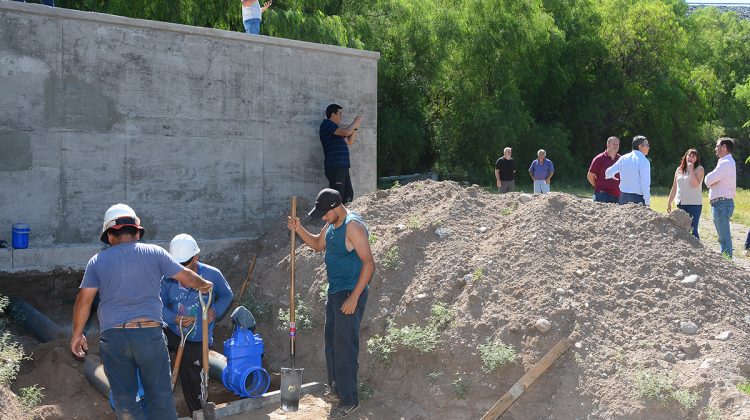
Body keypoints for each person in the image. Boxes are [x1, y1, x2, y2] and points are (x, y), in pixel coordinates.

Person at [71, 204, 213, 420]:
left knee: (125, 401)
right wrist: (205, 284)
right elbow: (186, 276)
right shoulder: (154, 252)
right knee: (161, 398)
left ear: (110, 236)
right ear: (137, 233)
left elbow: (84, 301)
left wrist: (77, 334)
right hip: (149, 335)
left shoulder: (97, 262)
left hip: (114, 338)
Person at [286, 189, 374, 419]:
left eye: (325, 214)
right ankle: (336, 389)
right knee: (332, 345)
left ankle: (350, 399)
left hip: (350, 293)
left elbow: (369, 264)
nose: (323, 218)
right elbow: (317, 244)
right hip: (335, 292)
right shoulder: (333, 225)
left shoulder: (353, 226)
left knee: (345, 349)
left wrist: (354, 298)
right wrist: (299, 229)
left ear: (336, 207)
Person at [161, 234, 233, 414]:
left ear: (196, 257)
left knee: (191, 374)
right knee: (152, 343)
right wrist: (174, 318)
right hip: (172, 331)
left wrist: (214, 310)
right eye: (178, 265)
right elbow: (157, 304)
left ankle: (197, 413)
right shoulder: (167, 278)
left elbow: (227, 295)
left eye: (186, 264)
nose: (182, 270)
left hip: (197, 335)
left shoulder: (212, 275)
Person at [319, 104, 363, 204]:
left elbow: (349, 141)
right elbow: (346, 132)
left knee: (348, 195)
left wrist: (355, 128)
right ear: (333, 114)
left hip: (342, 166)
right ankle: (334, 218)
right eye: (340, 113)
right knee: (337, 196)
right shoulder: (327, 125)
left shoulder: (336, 129)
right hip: (335, 166)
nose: (341, 116)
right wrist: (354, 122)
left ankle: (343, 218)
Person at [704, 137, 736, 258]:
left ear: (724, 147)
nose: (715, 148)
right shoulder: (726, 162)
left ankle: (727, 263)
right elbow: (712, 180)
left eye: (717, 146)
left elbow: (709, 179)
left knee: (724, 237)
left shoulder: (725, 163)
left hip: (721, 204)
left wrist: (710, 180)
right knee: (723, 236)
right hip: (722, 203)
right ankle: (727, 262)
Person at [667, 149, 704, 239]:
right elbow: (674, 188)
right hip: (681, 204)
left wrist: (691, 169)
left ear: (696, 159)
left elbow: (695, 184)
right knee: (681, 229)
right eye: (689, 155)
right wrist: (669, 202)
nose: (690, 158)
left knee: (692, 230)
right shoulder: (679, 170)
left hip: (694, 204)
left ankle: (697, 251)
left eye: (693, 156)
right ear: (685, 157)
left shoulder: (699, 169)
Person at [605, 135, 651, 205]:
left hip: (623, 197)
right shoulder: (644, 161)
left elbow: (608, 172)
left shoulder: (623, 158)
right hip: (638, 199)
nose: (649, 147)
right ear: (640, 146)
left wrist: (611, 175)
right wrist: (647, 202)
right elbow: (645, 184)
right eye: (647, 145)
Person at [587, 136, 621, 203]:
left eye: (617, 144)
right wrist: (598, 187)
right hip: (601, 194)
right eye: (614, 144)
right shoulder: (599, 159)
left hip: (617, 195)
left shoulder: (621, 159)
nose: (616, 146)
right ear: (607, 145)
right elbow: (590, 176)